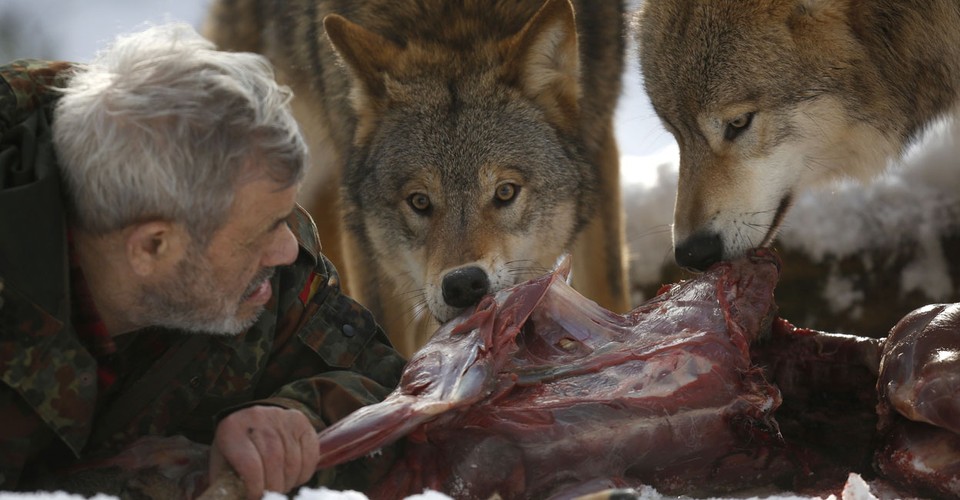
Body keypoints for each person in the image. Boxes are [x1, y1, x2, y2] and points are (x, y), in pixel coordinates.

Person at [0, 22, 405, 498]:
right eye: (263, 232)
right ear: (153, 247)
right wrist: (131, 481)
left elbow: (398, 391)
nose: (286, 249)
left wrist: (295, 416)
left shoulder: (253, 229)